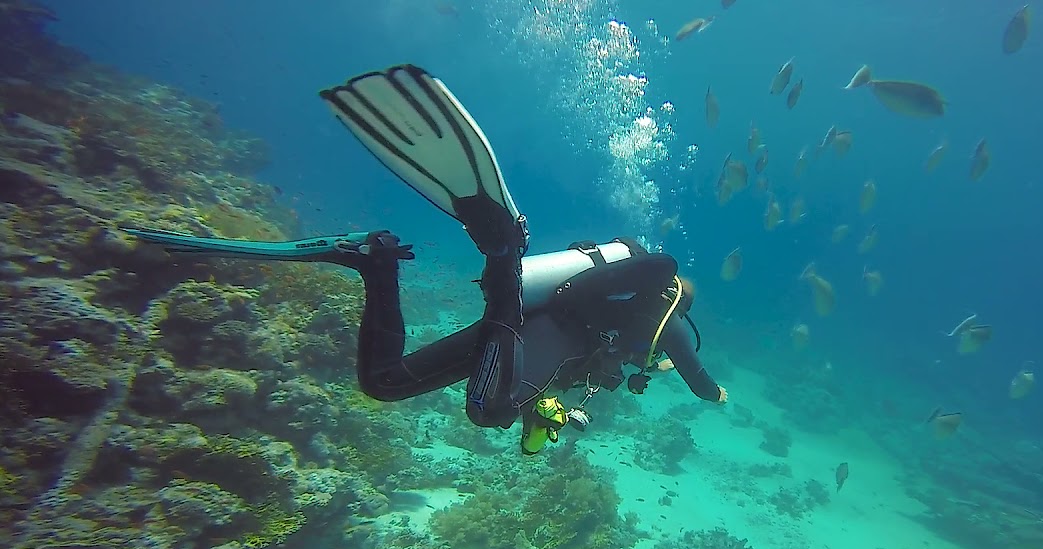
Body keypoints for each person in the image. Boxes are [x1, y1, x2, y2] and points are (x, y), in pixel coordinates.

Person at [123, 64, 726, 454]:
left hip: (514, 336)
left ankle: (374, 264)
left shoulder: (635, 313)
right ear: (677, 307)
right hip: (520, 324)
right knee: (489, 411)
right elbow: (697, 379)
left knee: (384, 385)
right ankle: (502, 252)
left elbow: (565, 365)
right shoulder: (663, 317)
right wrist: (716, 394)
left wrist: (552, 411)